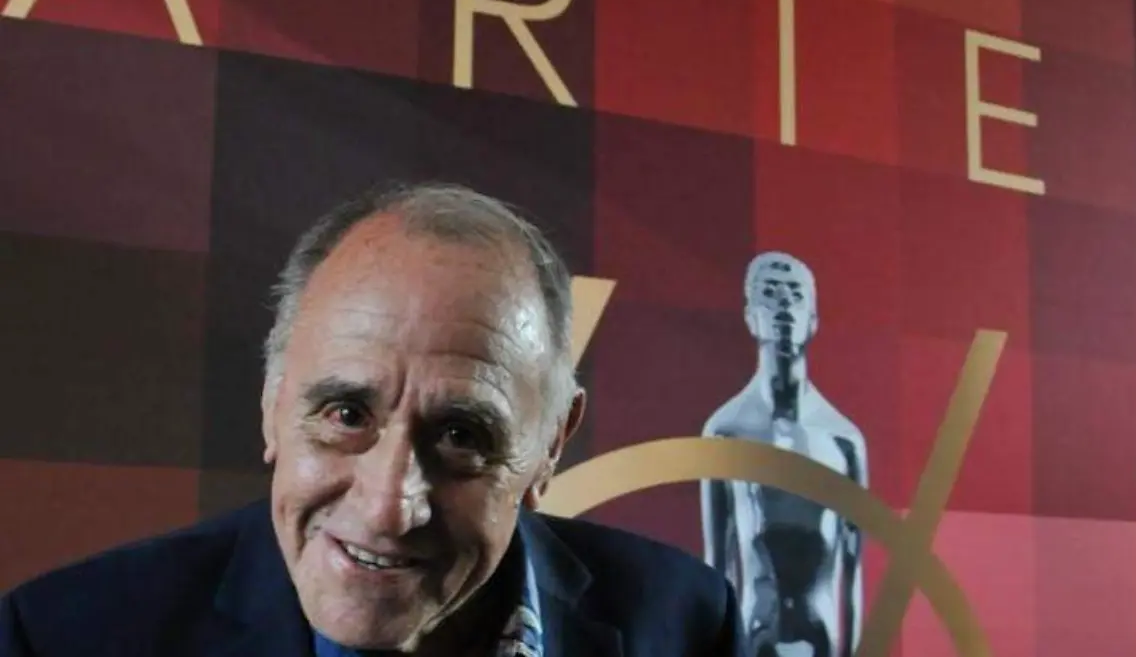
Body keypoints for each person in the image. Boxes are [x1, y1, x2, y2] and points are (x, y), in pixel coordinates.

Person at [0, 182, 746, 657]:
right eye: (347, 413)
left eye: (461, 436)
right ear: (272, 405)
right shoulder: (66, 638)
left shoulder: (686, 624)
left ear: (551, 443)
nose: (390, 507)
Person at [699, 252, 867, 657]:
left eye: (795, 294)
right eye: (770, 293)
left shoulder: (843, 441)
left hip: (823, 639)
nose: (783, 306)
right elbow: (716, 564)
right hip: (752, 637)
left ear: (813, 318)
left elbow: (852, 571)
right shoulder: (726, 433)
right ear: (750, 315)